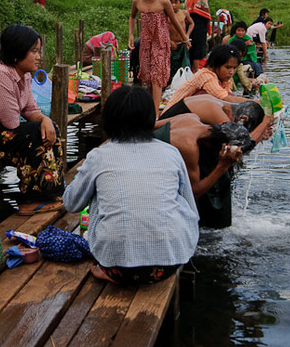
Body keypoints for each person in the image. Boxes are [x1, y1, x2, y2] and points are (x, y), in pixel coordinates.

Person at [63, 85, 199, 286]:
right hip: (170, 262)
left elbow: (71, 203)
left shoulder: (99, 157)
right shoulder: (171, 153)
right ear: (150, 119)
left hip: (115, 265)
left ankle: (108, 271)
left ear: (109, 120)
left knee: (98, 197)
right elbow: (190, 206)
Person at [0, 24, 64, 214]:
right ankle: (30, 200)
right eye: (34, 52)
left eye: (38, 51)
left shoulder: (24, 75)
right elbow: (11, 123)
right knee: (33, 134)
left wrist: (45, 120)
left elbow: (30, 110)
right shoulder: (0, 75)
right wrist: (40, 124)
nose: (38, 56)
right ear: (17, 55)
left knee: (51, 128)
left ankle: (51, 192)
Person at [128, 0, 189, 116]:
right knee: (147, 78)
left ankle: (155, 115)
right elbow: (132, 17)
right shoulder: (137, 1)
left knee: (156, 77)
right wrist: (131, 34)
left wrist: (184, 38)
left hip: (160, 42)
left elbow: (174, 20)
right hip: (146, 43)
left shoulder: (163, 1)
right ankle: (151, 109)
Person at [163, 44, 246, 112]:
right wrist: (253, 102)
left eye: (234, 68)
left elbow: (229, 96)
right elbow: (225, 98)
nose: (231, 72)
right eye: (228, 67)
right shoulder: (206, 75)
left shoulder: (223, 81)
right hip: (172, 116)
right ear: (215, 65)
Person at [158, 94, 273, 143]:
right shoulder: (216, 112)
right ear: (242, 119)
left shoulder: (221, 104)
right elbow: (241, 143)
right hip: (160, 139)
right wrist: (265, 123)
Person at [186, 0, 212, 72]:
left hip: (190, 27)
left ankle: (191, 71)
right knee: (197, 51)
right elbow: (207, 15)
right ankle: (195, 72)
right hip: (200, 27)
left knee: (192, 50)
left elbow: (186, 11)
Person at [167, 0, 194, 84]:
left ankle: (184, 84)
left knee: (184, 65)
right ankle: (170, 84)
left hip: (182, 43)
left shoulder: (184, 13)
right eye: (171, 3)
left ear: (180, 3)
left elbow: (191, 23)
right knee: (171, 66)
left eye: (176, 2)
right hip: (171, 44)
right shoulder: (166, 15)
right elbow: (163, 29)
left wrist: (187, 35)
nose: (173, 5)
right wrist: (169, 41)